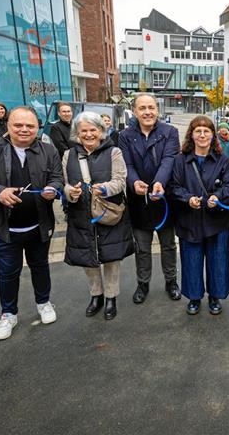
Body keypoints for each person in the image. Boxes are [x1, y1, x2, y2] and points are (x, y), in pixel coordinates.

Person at [0, 106, 64, 340]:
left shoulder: (48, 150)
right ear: (8, 125)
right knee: (8, 273)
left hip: (39, 225)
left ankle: (44, 303)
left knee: (40, 266)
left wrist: (54, 188)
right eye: (18, 125)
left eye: (30, 126)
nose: (24, 130)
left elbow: (58, 177)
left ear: (37, 127)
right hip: (5, 228)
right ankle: (8, 313)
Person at [62, 112, 135, 321]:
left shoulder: (114, 152)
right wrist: (70, 193)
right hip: (80, 214)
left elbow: (121, 181)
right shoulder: (69, 155)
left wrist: (105, 189)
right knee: (88, 258)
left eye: (93, 130)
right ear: (77, 133)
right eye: (83, 130)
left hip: (107, 212)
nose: (88, 134)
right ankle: (96, 295)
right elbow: (64, 184)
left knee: (111, 258)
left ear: (101, 131)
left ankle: (111, 297)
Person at [117, 94, 182, 304]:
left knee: (168, 245)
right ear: (135, 111)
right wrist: (134, 182)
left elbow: (169, 159)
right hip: (138, 201)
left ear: (157, 109)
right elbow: (126, 165)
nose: (148, 112)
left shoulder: (169, 132)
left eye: (151, 107)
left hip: (164, 199)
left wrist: (159, 182)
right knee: (142, 247)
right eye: (142, 108)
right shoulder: (125, 136)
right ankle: (143, 282)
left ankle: (171, 280)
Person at [170, 116, 229, 315]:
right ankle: (195, 298)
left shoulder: (223, 160)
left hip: (216, 220)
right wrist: (188, 198)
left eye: (206, 131)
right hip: (190, 219)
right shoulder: (180, 160)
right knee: (191, 260)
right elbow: (174, 186)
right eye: (198, 131)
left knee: (218, 260)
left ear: (213, 135)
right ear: (191, 135)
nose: (202, 134)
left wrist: (217, 196)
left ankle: (215, 297)